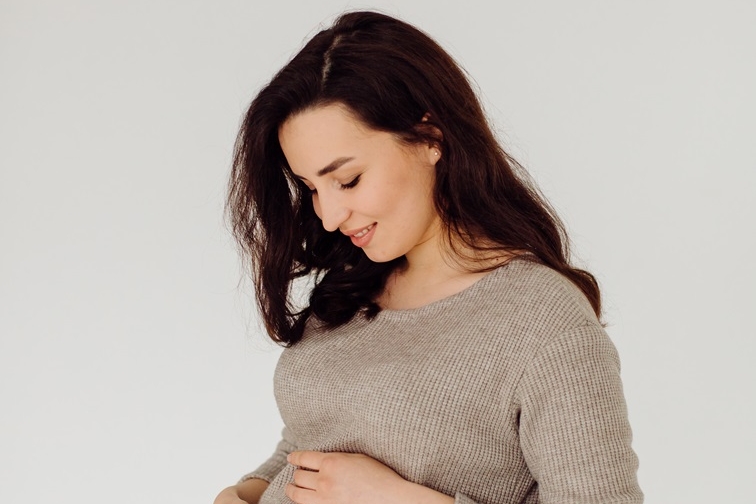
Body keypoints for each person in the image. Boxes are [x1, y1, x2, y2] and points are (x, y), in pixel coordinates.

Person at [214, 10, 643, 504]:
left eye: (348, 179)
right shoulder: (351, 288)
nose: (329, 216)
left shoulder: (542, 322)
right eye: (312, 188)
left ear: (429, 137)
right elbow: (312, 438)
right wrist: (244, 493)